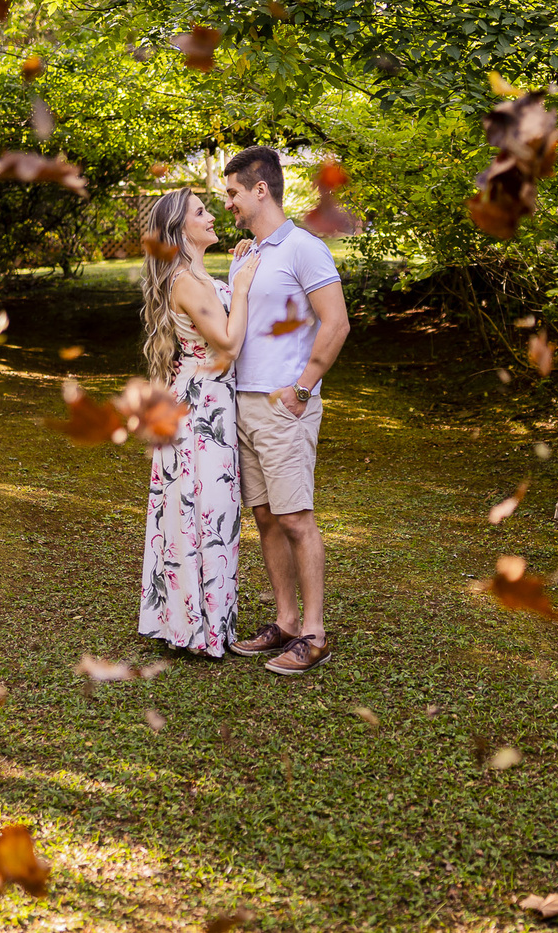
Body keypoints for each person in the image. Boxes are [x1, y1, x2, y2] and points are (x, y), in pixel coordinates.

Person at [222, 146, 351, 676]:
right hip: (243, 403)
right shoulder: (247, 254)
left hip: (284, 405)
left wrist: (302, 388)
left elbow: (336, 323)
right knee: (266, 517)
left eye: (232, 192)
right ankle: (287, 621)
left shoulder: (304, 248)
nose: (227, 202)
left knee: (296, 517)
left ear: (261, 189)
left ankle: (315, 635)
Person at [137, 187, 260, 657]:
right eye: (201, 212)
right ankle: (196, 628)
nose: (212, 216)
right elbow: (228, 343)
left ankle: (203, 622)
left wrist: (237, 271)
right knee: (204, 512)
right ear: (179, 229)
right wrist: (241, 286)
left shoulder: (198, 276)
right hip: (199, 410)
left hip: (209, 403)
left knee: (210, 512)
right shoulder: (186, 280)